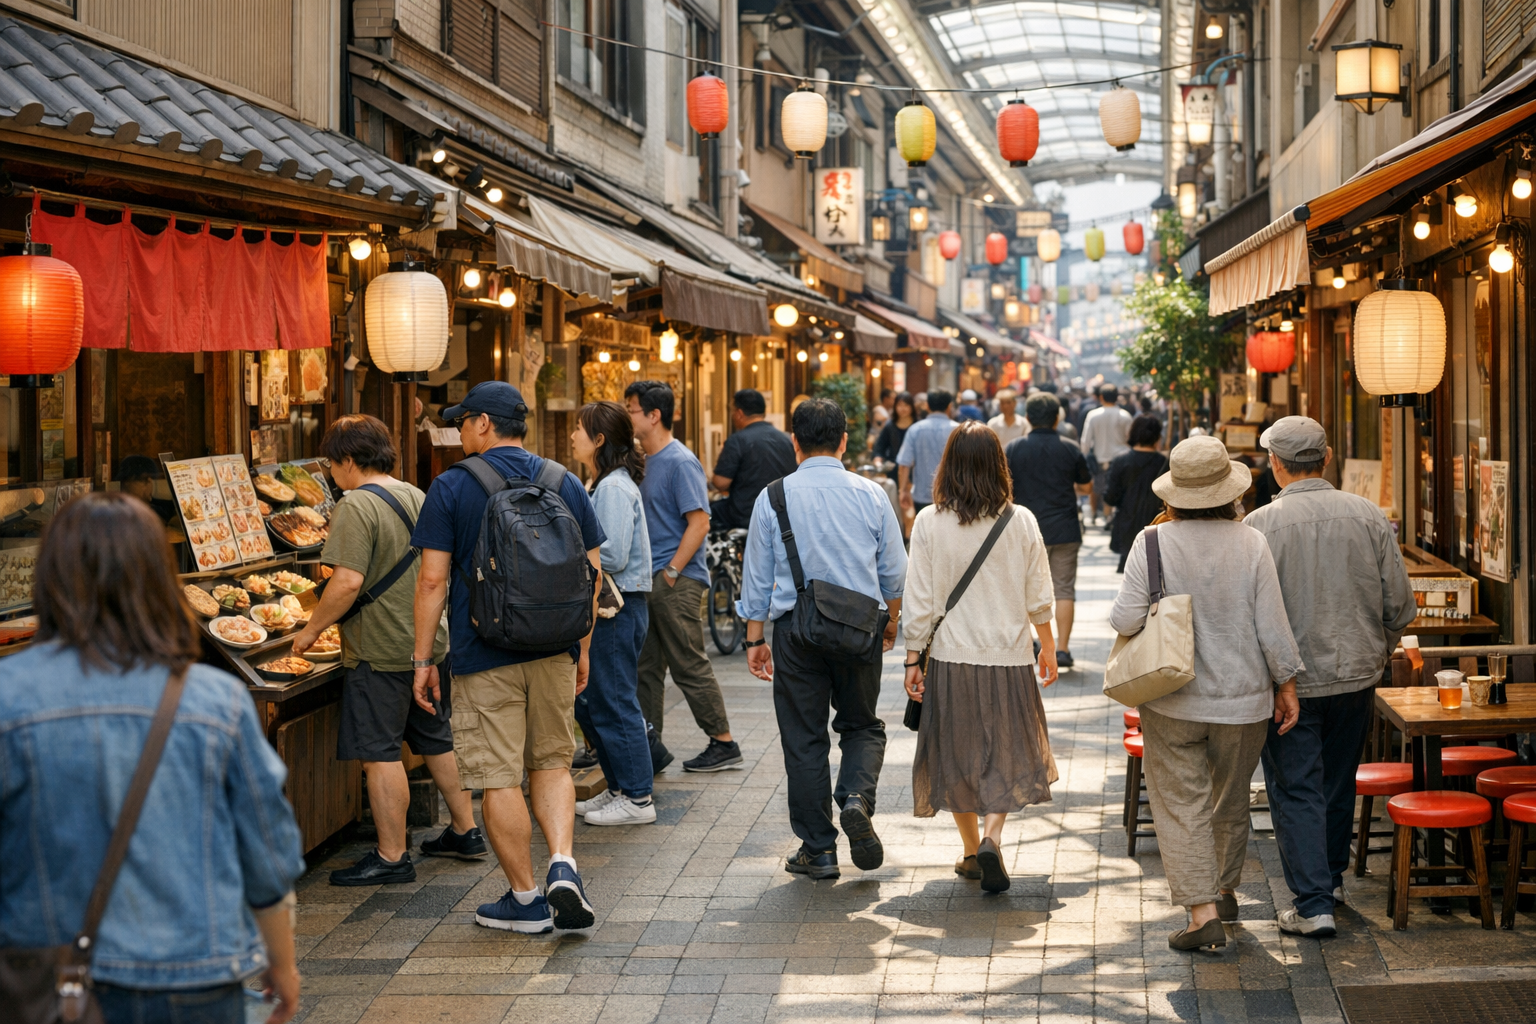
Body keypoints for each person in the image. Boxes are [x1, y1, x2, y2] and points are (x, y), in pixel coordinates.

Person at [0, 493, 304, 1023]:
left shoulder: (10, 696)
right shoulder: (216, 699)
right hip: (196, 973)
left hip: (48, 974)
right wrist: (281, 962)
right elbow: (267, 852)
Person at [411, 381, 606, 934]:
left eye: (463, 421)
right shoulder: (563, 481)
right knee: (552, 762)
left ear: (482, 425)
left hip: (482, 651)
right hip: (554, 648)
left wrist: (423, 660)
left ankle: (525, 900)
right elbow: (592, 574)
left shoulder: (451, 487)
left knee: (498, 777)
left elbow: (430, 582)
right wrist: (582, 648)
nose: (460, 432)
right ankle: (563, 862)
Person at [1110, 435, 1303, 952]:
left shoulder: (1151, 543)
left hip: (1172, 697)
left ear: (1173, 493)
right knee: (1230, 796)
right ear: (1228, 491)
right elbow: (1273, 624)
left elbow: (1125, 618)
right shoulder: (1251, 541)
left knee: (1180, 804)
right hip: (1243, 700)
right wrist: (1287, 684)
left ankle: (1202, 915)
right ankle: (1223, 887)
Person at [292, 416, 485, 885]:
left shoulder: (356, 504)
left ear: (349, 461)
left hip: (380, 647)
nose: (331, 474)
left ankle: (392, 855)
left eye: (333, 464)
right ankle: (466, 830)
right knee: (436, 738)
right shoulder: (415, 494)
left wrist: (311, 630)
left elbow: (348, 581)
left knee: (379, 751)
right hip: (426, 644)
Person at [1244, 417, 1415, 938]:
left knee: (1296, 788)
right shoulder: (1367, 515)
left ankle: (1313, 902)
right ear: (1329, 457)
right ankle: (1331, 881)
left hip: (1288, 684)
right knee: (1339, 780)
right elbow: (1400, 607)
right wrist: (1377, 650)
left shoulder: (1259, 527)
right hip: (1357, 674)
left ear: (1274, 464)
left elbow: (1246, 615)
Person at [739, 399, 907, 880]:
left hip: (796, 632)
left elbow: (757, 578)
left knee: (804, 740)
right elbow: (895, 573)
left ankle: (819, 849)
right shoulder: (872, 495)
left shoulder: (773, 497)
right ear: (844, 441)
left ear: (795, 443)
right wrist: (891, 620)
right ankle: (856, 796)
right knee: (861, 725)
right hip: (860, 629)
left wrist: (755, 640)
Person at [903, 423, 1059, 894]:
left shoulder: (930, 522)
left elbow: (921, 600)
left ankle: (972, 853)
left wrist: (913, 659)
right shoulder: (1021, 519)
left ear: (948, 465)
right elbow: (1039, 592)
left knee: (959, 756)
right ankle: (993, 836)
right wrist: (1048, 645)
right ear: (998, 465)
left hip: (951, 659)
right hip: (1010, 657)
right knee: (1006, 752)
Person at [625, 381, 742, 772]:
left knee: (688, 662)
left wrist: (673, 571)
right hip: (650, 580)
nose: (628, 416)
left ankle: (723, 742)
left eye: (631, 409)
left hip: (675, 579)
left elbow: (700, 521)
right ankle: (648, 745)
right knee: (647, 666)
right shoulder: (644, 460)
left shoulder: (679, 461)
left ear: (653, 415)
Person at [570, 401, 658, 826]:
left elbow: (614, 555)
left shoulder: (613, 488)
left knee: (615, 700)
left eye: (579, 429)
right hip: (614, 608)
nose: (572, 436)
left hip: (617, 609)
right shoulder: (606, 483)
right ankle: (621, 787)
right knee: (594, 700)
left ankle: (638, 798)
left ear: (599, 439)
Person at [1003, 393, 1092, 669]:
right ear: (1057, 418)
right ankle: (1062, 649)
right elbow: (1087, 487)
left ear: (1027, 418)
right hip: (1064, 527)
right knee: (1064, 589)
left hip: (1022, 530)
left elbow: (1004, 488)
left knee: (1020, 587)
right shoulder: (1070, 448)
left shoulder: (1013, 448)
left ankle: (1031, 643)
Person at [710, 388, 797, 531]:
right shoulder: (787, 439)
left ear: (739, 413)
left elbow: (720, 482)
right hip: (783, 515)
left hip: (745, 515)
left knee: (710, 513)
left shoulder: (737, 440)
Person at [1104, 414, 1170, 573]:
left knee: (1131, 579)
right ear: (1157, 436)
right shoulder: (1163, 463)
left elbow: (1110, 497)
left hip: (1127, 527)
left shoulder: (1121, 461)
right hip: (1157, 526)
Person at [897, 389, 958, 519]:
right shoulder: (958, 430)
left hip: (922, 494)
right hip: (952, 494)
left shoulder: (915, 429)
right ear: (949, 406)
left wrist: (903, 490)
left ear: (928, 406)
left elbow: (904, 463)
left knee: (925, 534)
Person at [1081, 384, 1133, 525]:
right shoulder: (1125, 416)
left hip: (1100, 459)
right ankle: (1110, 516)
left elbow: (1085, 441)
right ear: (1117, 397)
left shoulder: (1093, 415)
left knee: (1097, 489)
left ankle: (1093, 514)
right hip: (1122, 459)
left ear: (1101, 397)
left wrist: (1083, 457)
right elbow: (1131, 439)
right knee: (1118, 489)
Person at [116, 454, 177, 523]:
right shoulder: (117, 513)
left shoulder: (159, 510)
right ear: (126, 481)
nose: (149, 485)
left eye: (151, 479)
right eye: (143, 479)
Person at [873, 391, 916, 481]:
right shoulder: (889, 426)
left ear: (912, 406)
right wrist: (878, 463)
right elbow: (879, 448)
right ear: (895, 406)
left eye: (906, 405)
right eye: (899, 405)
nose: (903, 408)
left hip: (914, 470)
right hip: (893, 470)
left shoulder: (918, 426)